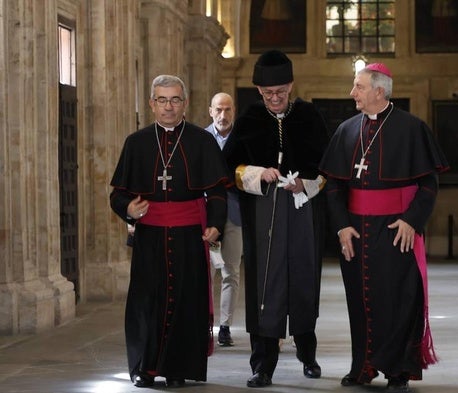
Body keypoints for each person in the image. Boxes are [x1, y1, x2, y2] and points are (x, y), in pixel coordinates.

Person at [319, 63, 449, 392]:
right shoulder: (346, 130)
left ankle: (397, 370)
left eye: (358, 87)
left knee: (399, 299)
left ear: (380, 91)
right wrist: (341, 228)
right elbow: (334, 185)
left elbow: (429, 184)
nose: (352, 93)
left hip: (396, 230)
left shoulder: (411, 128)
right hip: (355, 233)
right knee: (359, 301)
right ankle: (363, 365)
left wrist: (412, 220)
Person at [109, 75, 230, 388]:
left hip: (190, 234)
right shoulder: (136, 142)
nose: (168, 106)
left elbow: (217, 190)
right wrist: (128, 208)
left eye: (175, 99)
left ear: (185, 103)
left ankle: (178, 368)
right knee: (145, 303)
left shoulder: (201, 142)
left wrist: (215, 224)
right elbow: (117, 194)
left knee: (186, 302)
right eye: (162, 100)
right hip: (149, 236)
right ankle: (143, 369)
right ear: (151, 103)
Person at [223, 50, 328, 388]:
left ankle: (307, 356)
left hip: (301, 212)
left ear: (291, 85)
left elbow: (326, 170)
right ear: (259, 92)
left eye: (281, 91)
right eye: (268, 93)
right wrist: (258, 173)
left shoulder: (309, 117)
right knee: (263, 288)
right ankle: (262, 365)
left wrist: (305, 183)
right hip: (262, 214)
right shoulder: (250, 120)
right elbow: (229, 169)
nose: (275, 98)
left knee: (302, 280)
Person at [204, 92, 243, 347]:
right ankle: (204, 322)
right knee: (204, 271)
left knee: (231, 271)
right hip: (204, 214)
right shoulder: (201, 139)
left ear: (233, 112)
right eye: (219, 110)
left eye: (228, 110)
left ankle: (225, 326)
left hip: (234, 212)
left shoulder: (242, 140)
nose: (223, 115)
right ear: (210, 111)